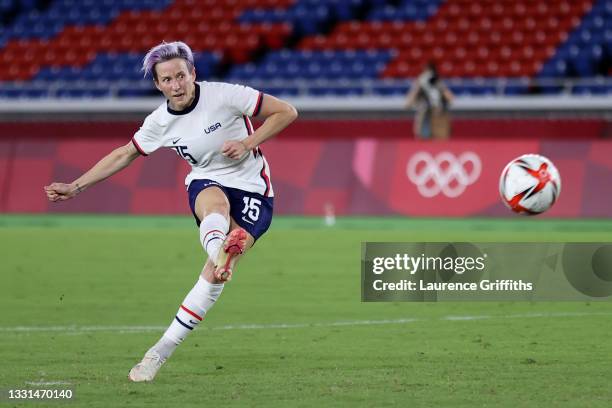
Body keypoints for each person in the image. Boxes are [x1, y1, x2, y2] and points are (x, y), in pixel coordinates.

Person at [43, 41, 298, 382]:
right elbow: (124, 154)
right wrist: (76, 186)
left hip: (254, 189)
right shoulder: (159, 122)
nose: (176, 85)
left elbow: (287, 111)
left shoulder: (225, 95)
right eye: (167, 79)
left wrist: (247, 143)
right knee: (214, 206)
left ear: (193, 74)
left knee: (212, 273)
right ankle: (158, 352)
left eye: (181, 75)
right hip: (207, 180)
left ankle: (213, 268)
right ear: (158, 85)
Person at [405, 62, 454, 140]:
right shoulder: (420, 83)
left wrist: (438, 86)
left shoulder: (437, 82)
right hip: (424, 115)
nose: (427, 75)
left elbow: (450, 98)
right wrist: (418, 85)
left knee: (440, 140)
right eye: (425, 72)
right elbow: (408, 103)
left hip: (438, 116)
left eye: (429, 72)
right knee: (422, 138)